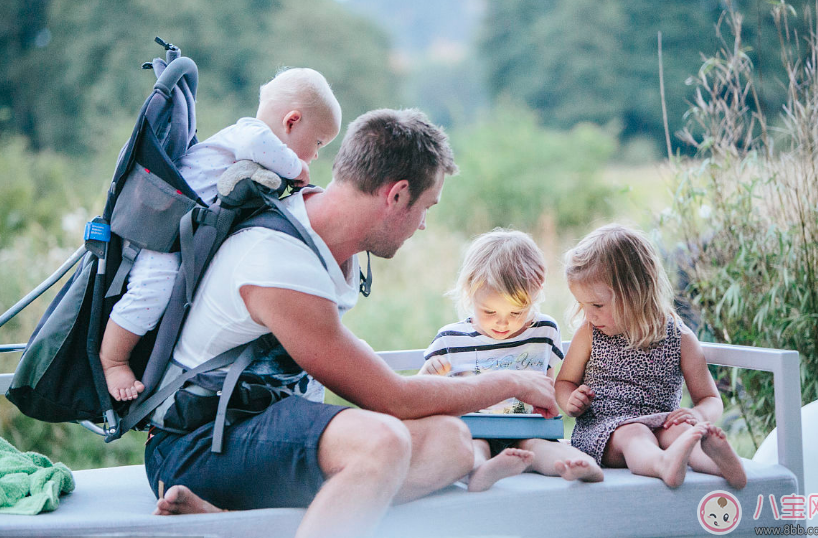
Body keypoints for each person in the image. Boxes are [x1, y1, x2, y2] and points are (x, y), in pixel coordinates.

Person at [145, 108, 560, 538]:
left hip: (268, 430)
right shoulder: (278, 262)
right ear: (397, 195)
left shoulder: (323, 236)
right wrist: (512, 381)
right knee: (382, 442)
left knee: (451, 443)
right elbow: (392, 399)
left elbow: (365, 371)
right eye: (425, 207)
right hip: (200, 445)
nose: (423, 225)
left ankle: (229, 516)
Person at [100, 67, 342, 401]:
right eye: (318, 143)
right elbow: (260, 147)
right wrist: (296, 166)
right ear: (291, 121)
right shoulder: (250, 133)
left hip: (180, 235)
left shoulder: (253, 143)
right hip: (160, 233)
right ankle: (113, 360)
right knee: (151, 291)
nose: (315, 155)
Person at [555, 223, 747, 489]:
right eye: (582, 304)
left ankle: (723, 466)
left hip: (661, 423)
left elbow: (710, 398)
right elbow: (564, 382)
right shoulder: (589, 334)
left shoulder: (679, 338)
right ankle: (662, 465)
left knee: (681, 431)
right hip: (605, 431)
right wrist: (571, 401)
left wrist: (697, 415)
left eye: (597, 305)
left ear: (635, 293)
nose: (589, 314)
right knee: (634, 433)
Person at [419, 229, 603, 492]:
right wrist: (429, 373)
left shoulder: (544, 331)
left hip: (526, 429)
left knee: (538, 448)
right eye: (489, 311)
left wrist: (550, 406)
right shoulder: (451, 338)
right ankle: (480, 472)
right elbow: (420, 395)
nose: (502, 323)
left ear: (536, 293)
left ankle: (577, 465)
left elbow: (546, 386)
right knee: (473, 447)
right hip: (474, 429)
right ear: (470, 291)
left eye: (517, 312)